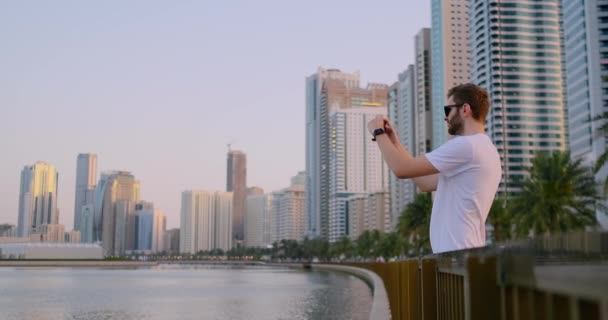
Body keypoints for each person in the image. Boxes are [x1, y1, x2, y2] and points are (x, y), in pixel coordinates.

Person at [368, 83, 502, 253]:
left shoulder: (467, 146)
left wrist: (378, 133)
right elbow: (424, 183)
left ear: (465, 109)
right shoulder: (483, 149)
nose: (445, 117)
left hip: (459, 253)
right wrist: (394, 142)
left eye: (448, 110)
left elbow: (401, 169)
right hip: (463, 253)